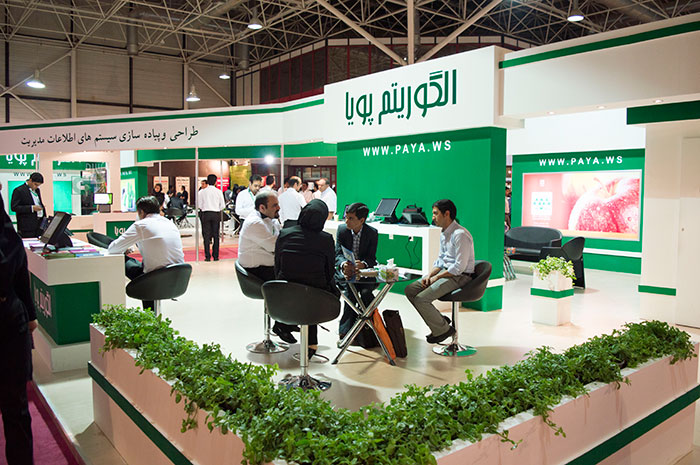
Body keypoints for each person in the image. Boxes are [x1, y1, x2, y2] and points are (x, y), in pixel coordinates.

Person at [404, 199, 475, 344]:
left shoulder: (460, 234)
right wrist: (430, 275)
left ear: (446, 214)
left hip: (460, 276)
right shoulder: (444, 233)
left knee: (421, 299)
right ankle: (440, 322)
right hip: (446, 273)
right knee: (410, 290)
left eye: (435, 214)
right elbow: (441, 260)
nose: (433, 217)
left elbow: (459, 268)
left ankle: (442, 330)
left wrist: (436, 278)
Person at [0, 191, 37, 465]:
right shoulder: (8, 236)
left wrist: (30, 315)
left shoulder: (8, 237)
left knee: (15, 405)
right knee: (15, 405)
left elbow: (20, 275)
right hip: (10, 318)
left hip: (10, 322)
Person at [275, 199, 338, 358]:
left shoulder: (285, 234)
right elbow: (329, 270)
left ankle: (284, 325)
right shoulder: (325, 239)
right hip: (316, 296)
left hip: (284, 292)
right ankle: (311, 344)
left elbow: (277, 265)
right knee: (314, 289)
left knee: (306, 289)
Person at [237, 190, 296, 343]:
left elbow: (279, 239)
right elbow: (275, 246)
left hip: (266, 266)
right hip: (254, 272)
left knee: (295, 275)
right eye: (274, 205)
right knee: (291, 282)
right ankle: (282, 324)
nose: (279, 208)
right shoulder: (255, 223)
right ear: (262, 208)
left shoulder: (270, 220)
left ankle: (286, 322)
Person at [108, 196, 185, 311]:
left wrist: (123, 249)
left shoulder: (141, 225)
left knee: (122, 259)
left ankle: (149, 316)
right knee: (138, 265)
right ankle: (151, 316)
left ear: (141, 212)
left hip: (154, 278)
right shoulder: (169, 223)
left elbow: (113, 249)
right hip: (178, 275)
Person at [335, 202, 378, 339]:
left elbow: (371, 258)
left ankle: (369, 329)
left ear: (362, 220)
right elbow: (337, 254)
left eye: (351, 218)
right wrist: (344, 264)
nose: (346, 221)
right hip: (346, 273)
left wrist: (363, 264)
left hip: (364, 274)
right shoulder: (342, 230)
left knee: (366, 294)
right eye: (346, 217)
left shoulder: (372, 233)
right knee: (350, 294)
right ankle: (345, 331)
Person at [197, 174, 226, 262]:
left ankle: (207, 256)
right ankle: (216, 256)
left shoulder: (202, 192)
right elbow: (222, 205)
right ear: (215, 182)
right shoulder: (218, 191)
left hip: (205, 213)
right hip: (215, 214)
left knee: (206, 235)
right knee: (216, 235)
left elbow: (199, 205)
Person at [10, 172, 46, 238]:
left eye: (38, 185)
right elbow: (14, 207)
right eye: (35, 184)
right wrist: (31, 208)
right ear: (30, 180)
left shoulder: (37, 190)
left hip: (39, 225)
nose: (36, 187)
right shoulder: (19, 190)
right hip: (26, 227)